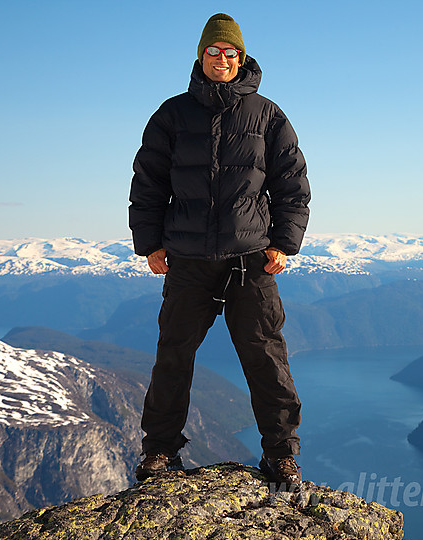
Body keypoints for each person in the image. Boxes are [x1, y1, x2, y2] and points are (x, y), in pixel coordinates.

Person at [128, 13, 310, 487]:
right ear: (200, 56)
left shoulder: (268, 116)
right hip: (187, 259)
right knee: (173, 355)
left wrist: (284, 244)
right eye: (214, 52)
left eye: (231, 53)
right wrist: (150, 243)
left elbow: (292, 185)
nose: (222, 60)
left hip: (250, 258)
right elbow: (147, 184)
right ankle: (160, 452)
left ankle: (280, 455)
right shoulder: (171, 115)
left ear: (242, 58)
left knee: (266, 357)